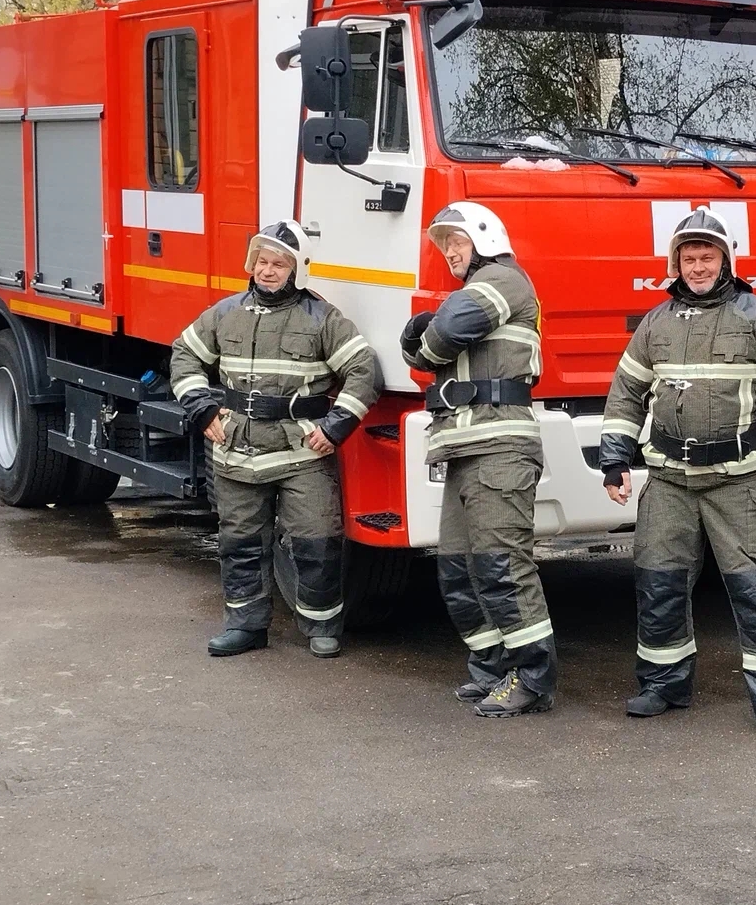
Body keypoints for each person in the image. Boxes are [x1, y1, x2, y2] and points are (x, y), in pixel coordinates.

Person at [599, 206, 756, 741]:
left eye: (707, 257)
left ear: (726, 260)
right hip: (668, 483)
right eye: (689, 258)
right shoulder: (655, 323)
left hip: (737, 484)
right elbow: (625, 395)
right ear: (675, 264)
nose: (698, 267)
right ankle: (663, 685)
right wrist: (614, 460)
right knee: (658, 583)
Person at [170, 220, 378, 659]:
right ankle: (245, 627)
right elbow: (184, 353)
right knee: (239, 543)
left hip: (302, 453)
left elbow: (364, 369)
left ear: (296, 270)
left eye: (278, 264)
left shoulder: (322, 318)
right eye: (261, 262)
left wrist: (335, 426)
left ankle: (322, 626)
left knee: (317, 542)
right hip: (237, 452)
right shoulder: (225, 313)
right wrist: (202, 409)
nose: (267, 270)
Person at [400, 201, 556, 718]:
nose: (449, 252)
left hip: (500, 449)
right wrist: (426, 339)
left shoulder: (503, 280)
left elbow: (442, 335)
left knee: (502, 568)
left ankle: (532, 679)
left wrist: (426, 335)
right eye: (444, 245)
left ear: (486, 239)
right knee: (458, 570)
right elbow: (418, 352)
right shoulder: (476, 290)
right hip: (465, 449)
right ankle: (492, 667)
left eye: (457, 242)